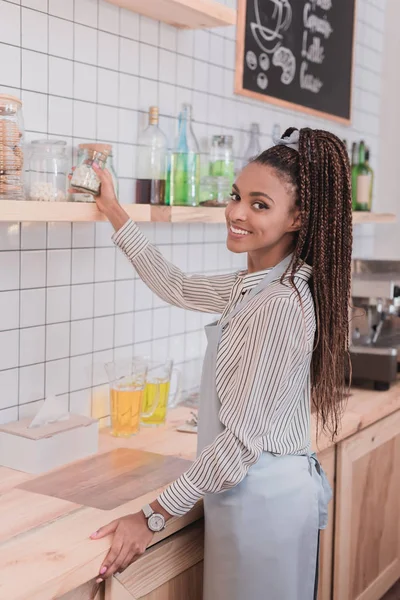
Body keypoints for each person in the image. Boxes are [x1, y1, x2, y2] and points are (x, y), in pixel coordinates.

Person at [85, 127, 353, 600]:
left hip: (263, 504)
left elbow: (238, 448)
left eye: (259, 204)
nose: (235, 212)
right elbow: (179, 286)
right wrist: (113, 210)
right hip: (249, 497)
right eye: (236, 196)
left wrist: (150, 517)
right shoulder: (255, 285)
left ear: (298, 219)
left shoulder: (280, 305)